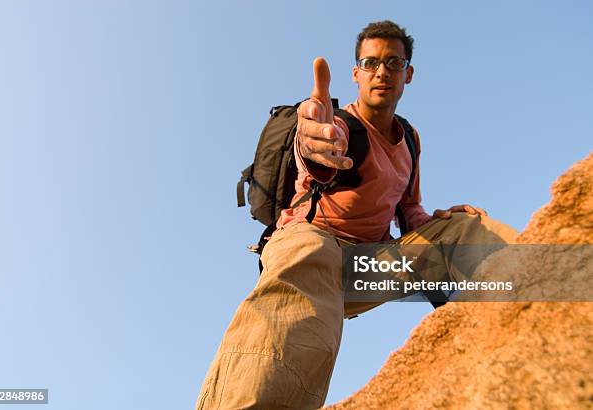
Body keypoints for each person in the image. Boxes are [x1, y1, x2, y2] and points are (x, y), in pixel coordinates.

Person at [196, 20, 518, 409]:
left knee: (465, 229)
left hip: (369, 266)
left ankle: (532, 300)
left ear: (408, 74)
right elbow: (316, 156)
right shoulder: (341, 125)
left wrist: (437, 223)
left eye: (393, 62)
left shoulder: (410, 140)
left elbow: (409, 210)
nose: (381, 72)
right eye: (370, 63)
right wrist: (314, 147)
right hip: (312, 242)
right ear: (356, 74)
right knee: (311, 259)